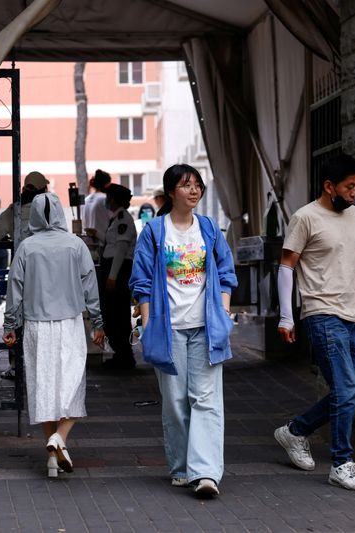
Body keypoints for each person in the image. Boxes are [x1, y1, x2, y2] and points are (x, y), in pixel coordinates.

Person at [274, 153, 355, 492]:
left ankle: (295, 431)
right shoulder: (305, 218)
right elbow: (286, 266)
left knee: (349, 392)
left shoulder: (353, 215)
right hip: (322, 313)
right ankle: (341, 463)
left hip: (353, 315)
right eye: (350, 187)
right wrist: (287, 316)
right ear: (329, 187)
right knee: (346, 391)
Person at [129, 164, 237, 498]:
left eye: (198, 185)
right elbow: (142, 281)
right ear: (171, 191)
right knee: (175, 402)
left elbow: (226, 270)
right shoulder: (155, 231)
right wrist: (148, 324)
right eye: (186, 185)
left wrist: (223, 308)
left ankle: (205, 473)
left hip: (205, 327)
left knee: (205, 400)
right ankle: (180, 467)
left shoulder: (209, 229)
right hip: (169, 327)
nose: (194, 191)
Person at [2, 192, 105, 478]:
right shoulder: (76, 245)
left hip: (36, 325)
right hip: (70, 324)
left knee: (42, 387)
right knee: (73, 385)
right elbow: (90, 285)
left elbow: (15, 288)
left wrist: (10, 324)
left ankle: (53, 451)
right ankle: (60, 439)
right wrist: (97, 322)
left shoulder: (26, 247)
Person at [0, 171, 49, 380]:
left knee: (16, 315)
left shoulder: (14, 210)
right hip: (45, 273)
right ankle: (41, 365)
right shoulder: (50, 210)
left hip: (21, 269)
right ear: (44, 190)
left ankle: (16, 366)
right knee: (42, 317)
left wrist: (9, 237)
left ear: (24, 189)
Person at [101, 184, 138, 371]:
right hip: (114, 269)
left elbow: (121, 250)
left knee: (118, 315)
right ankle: (120, 354)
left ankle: (125, 356)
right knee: (112, 314)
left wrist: (112, 276)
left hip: (119, 270)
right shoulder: (116, 219)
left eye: (108, 197)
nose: (106, 201)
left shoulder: (123, 219)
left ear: (113, 200)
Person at [82, 169, 112, 247]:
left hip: (88, 246)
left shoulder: (86, 200)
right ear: (107, 185)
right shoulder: (105, 199)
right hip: (105, 247)